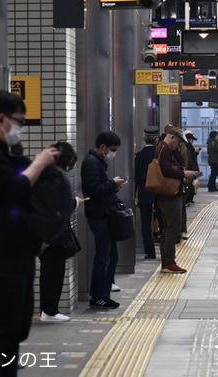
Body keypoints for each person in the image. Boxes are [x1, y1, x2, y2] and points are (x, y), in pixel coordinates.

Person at [0, 90, 60, 376]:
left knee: (13, 324)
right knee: (1, 326)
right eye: (19, 121)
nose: (21, 128)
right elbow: (13, 189)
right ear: (1, 119)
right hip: (1, 252)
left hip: (13, 250)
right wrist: (40, 163)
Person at [34, 141, 85, 322]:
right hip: (53, 235)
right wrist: (75, 203)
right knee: (52, 273)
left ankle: (49, 310)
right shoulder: (53, 176)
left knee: (51, 273)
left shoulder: (44, 174)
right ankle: (49, 311)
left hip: (48, 234)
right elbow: (58, 206)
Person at [81, 131, 126, 309]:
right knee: (104, 256)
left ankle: (103, 294)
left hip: (104, 214)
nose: (113, 153)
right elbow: (92, 190)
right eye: (112, 150)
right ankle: (98, 295)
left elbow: (100, 188)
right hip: (99, 216)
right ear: (103, 147)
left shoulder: (97, 162)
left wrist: (113, 187)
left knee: (111, 256)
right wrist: (112, 184)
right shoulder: (92, 163)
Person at [154, 128, 198, 274]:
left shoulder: (167, 149)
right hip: (168, 195)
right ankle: (168, 262)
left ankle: (168, 261)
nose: (178, 145)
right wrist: (183, 173)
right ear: (172, 137)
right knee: (173, 227)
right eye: (178, 142)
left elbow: (175, 164)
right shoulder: (164, 149)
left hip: (170, 193)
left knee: (169, 227)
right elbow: (165, 170)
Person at [134, 126, 160, 260]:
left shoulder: (138, 156)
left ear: (144, 139)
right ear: (157, 139)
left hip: (144, 194)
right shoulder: (160, 154)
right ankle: (166, 252)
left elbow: (136, 178)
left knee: (145, 223)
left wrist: (135, 195)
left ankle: (150, 252)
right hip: (160, 193)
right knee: (163, 222)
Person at [182, 130, 200, 205]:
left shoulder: (186, 146)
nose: (192, 141)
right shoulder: (188, 146)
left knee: (192, 184)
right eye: (192, 139)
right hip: (190, 168)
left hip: (190, 168)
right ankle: (189, 199)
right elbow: (191, 158)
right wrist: (195, 152)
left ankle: (189, 198)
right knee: (191, 184)